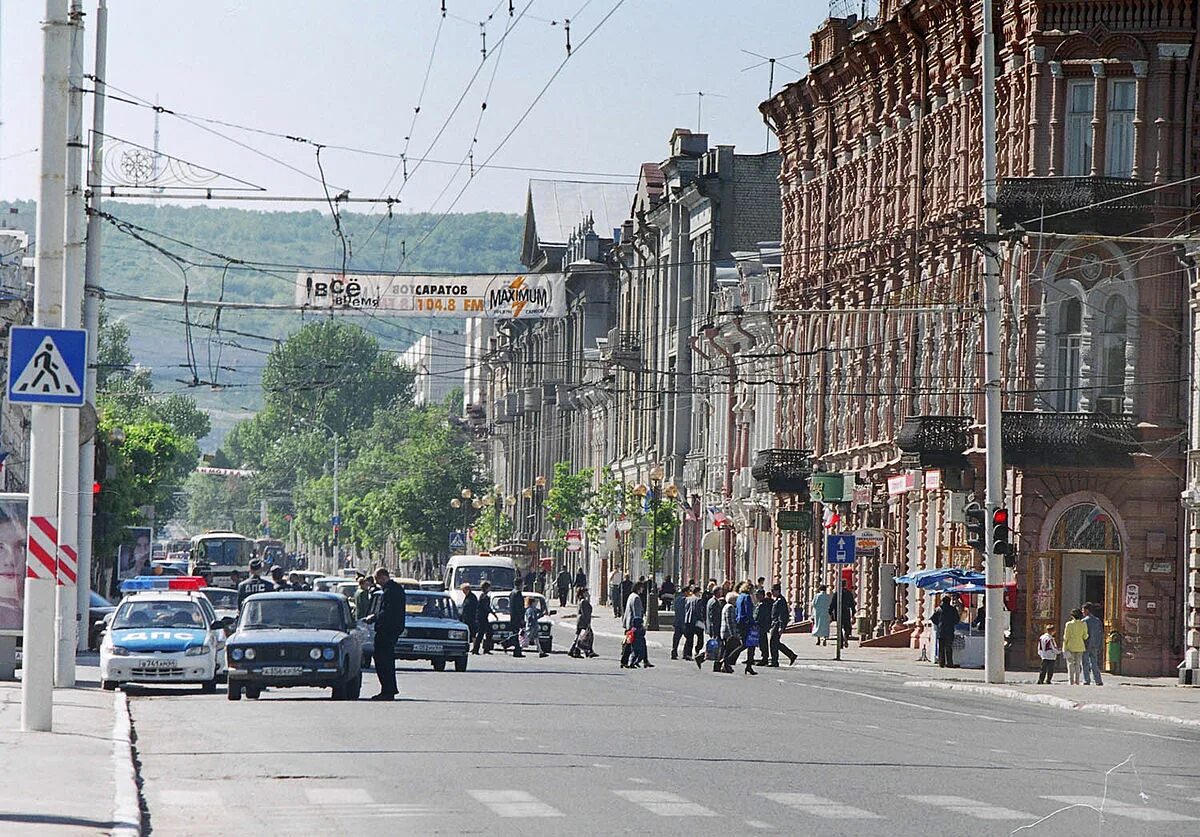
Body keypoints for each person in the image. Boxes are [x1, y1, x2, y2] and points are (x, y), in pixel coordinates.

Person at [363, 567, 406, 700]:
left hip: (387, 629)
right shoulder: (396, 589)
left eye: (377, 579)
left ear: (383, 577)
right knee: (385, 659)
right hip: (392, 628)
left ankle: (387, 691)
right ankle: (389, 689)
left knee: (383, 660)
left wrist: (373, 618)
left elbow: (387, 612)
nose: (377, 582)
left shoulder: (389, 591)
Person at [722, 583, 757, 675]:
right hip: (747, 623)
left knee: (751, 646)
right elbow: (748, 611)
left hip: (740, 622)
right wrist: (753, 622)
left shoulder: (739, 597)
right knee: (745, 644)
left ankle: (749, 666)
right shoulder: (747, 597)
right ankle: (727, 660)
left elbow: (738, 610)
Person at [769, 584, 797, 666]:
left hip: (777, 624)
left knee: (773, 642)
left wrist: (781, 626)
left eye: (773, 591)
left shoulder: (781, 601)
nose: (772, 592)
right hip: (775, 623)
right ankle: (791, 655)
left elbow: (782, 615)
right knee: (776, 642)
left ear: (778, 591)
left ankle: (775, 661)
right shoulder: (777, 600)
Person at [1081, 603, 1105, 686]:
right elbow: (1100, 633)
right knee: (1094, 662)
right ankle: (1098, 680)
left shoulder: (1084, 621)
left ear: (1087, 610)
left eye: (1083, 610)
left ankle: (1086, 680)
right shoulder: (1097, 620)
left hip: (1086, 644)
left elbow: (1083, 634)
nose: (1082, 612)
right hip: (1095, 644)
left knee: (1085, 663)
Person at [933, 595, 960, 668]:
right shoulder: (953, 609)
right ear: (949, 601)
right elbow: (957, 619)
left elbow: (933, 619)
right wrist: (952, 623)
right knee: (949, 647)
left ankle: (941, 663)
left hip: (941, 630)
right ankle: (949, 663)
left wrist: (938, 624)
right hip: (949, 630)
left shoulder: (938, 609)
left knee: (941, 648)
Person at [1063, 607, 1088, 685]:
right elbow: (1085, 636)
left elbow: (1066, 637)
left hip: (1070, 646)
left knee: (1070, 664)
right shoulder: (1083, 624)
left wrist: (1064, 647)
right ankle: (1077, 681)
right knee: (1078, 664)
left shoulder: (1069, 624)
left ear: (1072, 616)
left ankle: (1071, 681)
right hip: (1080, 646)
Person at [570, 588, 597, 658]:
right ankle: (586, 651)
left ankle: (573, 650)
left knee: (579, 636)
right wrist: (587, 623)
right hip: (583, 621)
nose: (588, 593)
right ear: (583, 593)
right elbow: (585, 613)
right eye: (586, 592)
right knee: (588, 636)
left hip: (580, 621)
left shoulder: (583, 601)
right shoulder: (583, 602)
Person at [829, 580, 856, 647]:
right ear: (845, 585)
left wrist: (830, 612)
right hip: (846, 611)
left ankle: (840, 642)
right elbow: (852, 604)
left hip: (838, 612)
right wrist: (853, 613)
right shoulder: (849, 593)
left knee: (839, 627)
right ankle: (846, 637)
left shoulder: (837, 593)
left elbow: (833, 603)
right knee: (847, 626)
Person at [472, 581, 494, 655]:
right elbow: (486, 607)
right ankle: (483, 649)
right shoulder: (485, 597)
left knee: (483, 633)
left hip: (481, 617)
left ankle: (478, 649)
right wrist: (492, 612)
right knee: (486, 632)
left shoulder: (482, 595)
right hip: (482, 617)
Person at [681, 586, 702, 661]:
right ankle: (697, 650)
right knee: (700, 637)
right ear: (697, 592)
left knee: (689, 638)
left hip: (687, 620)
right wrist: (702, 620)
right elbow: (699, 611)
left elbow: (685, 609)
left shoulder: (687, 599)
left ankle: (687, 654)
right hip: (696, 621)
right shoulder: (698, 600)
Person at [754, 589, 773, 666]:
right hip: (759, 625)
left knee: (763, 642)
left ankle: (765, 658)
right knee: (761, 642)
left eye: (757, 594)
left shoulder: (764, 604)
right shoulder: (760, 603)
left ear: (762, 595)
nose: (756, 596)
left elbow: (762, 616)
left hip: (761, 626)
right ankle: (764, 657)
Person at [671, 585, 688, 660]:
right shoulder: (685, 600)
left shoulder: (677, 599)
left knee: (676, 638)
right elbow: (684, 611)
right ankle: (685, 653)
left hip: (677, 621)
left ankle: (674, 652)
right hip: (683, 622)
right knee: (688, 638)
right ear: (686, 592)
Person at [507, 582, 524, 657]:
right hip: (517, 617)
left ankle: (516, 650)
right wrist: (521, 618)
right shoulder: (518, 593)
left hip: (513, 616)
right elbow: (519, 607)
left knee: (516, 634)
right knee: (518, 634)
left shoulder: (512, 593)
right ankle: (516, 651)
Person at [459, 583, 478, 648]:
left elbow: (472, 608)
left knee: (472, 633)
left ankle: (475, 647)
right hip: (466, 618)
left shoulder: (472, 597)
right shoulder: (467, 597)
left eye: (464, 590)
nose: (463, 592)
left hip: (471, 618)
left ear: (467, 590)